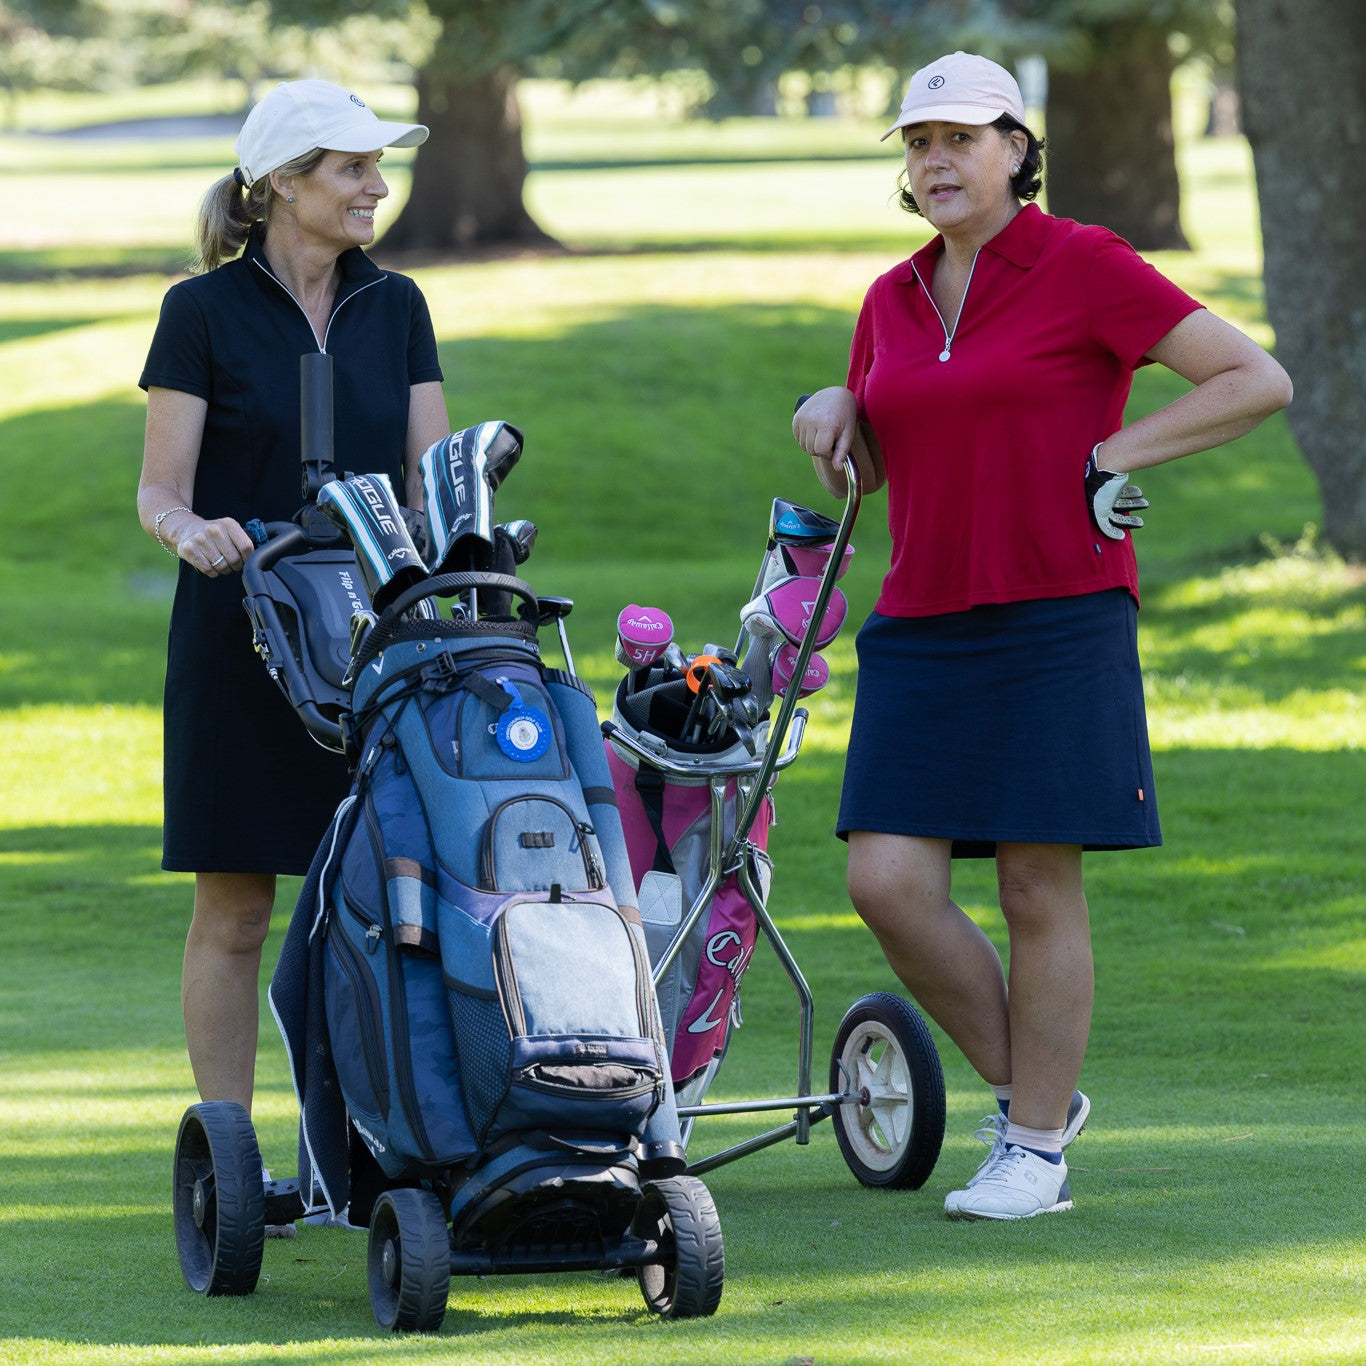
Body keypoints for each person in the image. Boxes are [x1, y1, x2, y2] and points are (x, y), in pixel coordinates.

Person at [792, 51, 1291, 1221]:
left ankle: (1029, 1152)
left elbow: (1250, 379)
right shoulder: (891, 297)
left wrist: (1116, 453)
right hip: (920, 617)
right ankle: (1035, 1099)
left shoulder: (1085, 266)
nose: (935, 160)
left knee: (1033, 882)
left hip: (1058, 611)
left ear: (1016, 146)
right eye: (918, 143)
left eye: (960, 138)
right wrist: (834, 408)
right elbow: (877, 462)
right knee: (886, 879)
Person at [136, 80, 452, 1125]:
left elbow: (428, 483)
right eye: (351, 168)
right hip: (239, 638)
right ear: (281, 183)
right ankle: (226, 1149)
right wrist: (193, 533)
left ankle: (376, 1138)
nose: (375, 186)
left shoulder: (396, 305)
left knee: (386, 898)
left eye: (375, 166)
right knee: (234, 908)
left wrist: (453, 550)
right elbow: (159, 490)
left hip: (377, 647)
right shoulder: (200, 313)